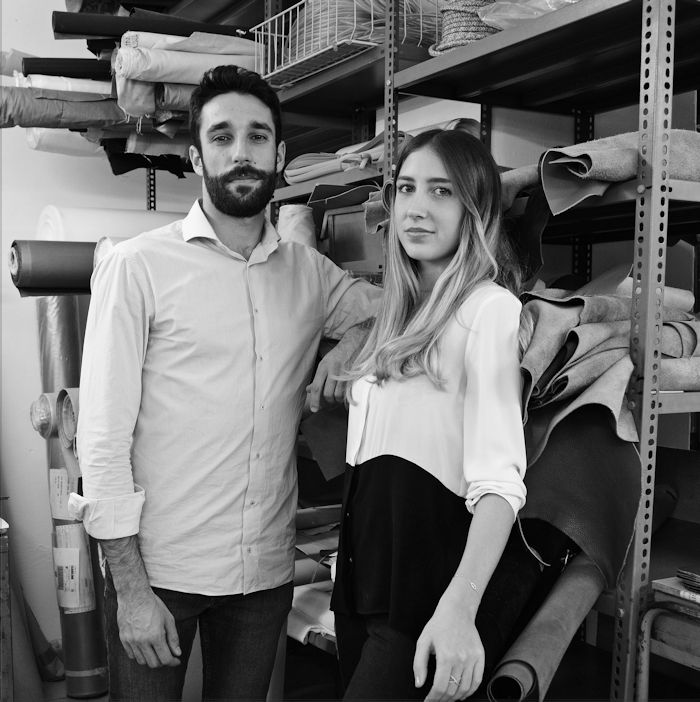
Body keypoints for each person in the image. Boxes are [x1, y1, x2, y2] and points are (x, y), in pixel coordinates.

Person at [68, 65, 380, 702]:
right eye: (222, 137)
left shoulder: (309, 273)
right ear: (195, 157)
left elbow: (390, 315)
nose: (241, 152)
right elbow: (101, 442)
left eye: (258, 137)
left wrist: (346, 350)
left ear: (279, 156)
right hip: (160, 572)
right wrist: (131, 591)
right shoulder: (138, 267)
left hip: (262, 574)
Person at [330, 129, 558, 701]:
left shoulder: (490, 310)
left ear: (474, 210)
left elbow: (500, 483)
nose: (417, 208)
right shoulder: (395, 314)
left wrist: (459, 608)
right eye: (407, 188)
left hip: (421, 597)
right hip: (359, 585)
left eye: (441, 191)